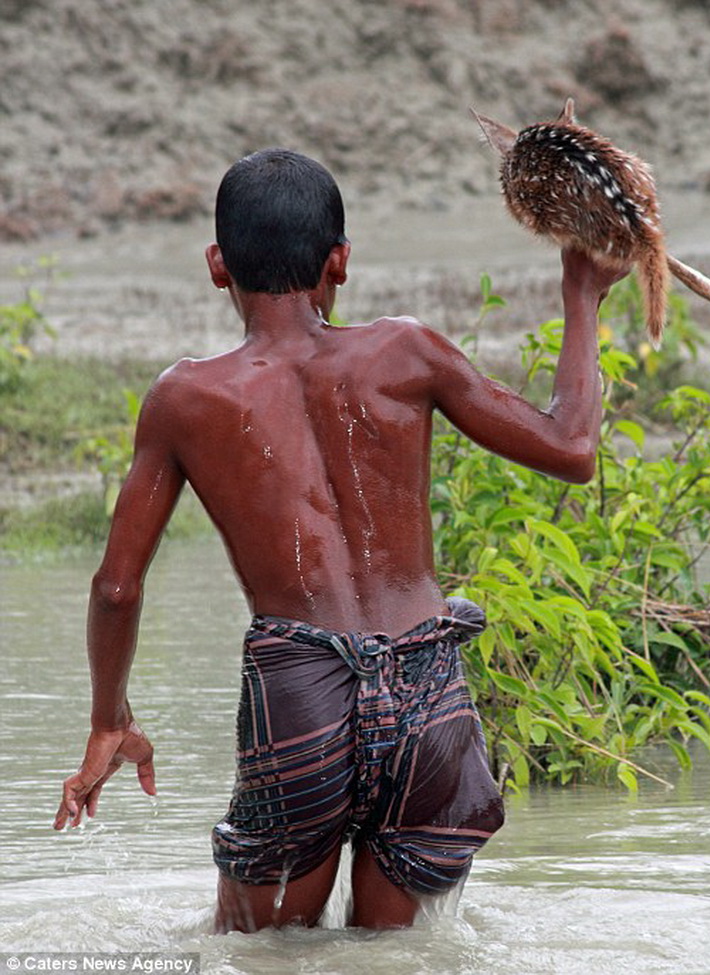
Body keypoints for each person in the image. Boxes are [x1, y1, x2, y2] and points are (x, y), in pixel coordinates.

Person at [54, 148, 628, 932]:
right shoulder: (407, 351)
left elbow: (117, 587)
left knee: (259, 951)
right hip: (429, 689)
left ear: (217, 266)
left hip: (301, 697)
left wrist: (108, 719)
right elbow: (571, 447)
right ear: (341, 262)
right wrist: (582, 291)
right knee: (390, 953)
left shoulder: (185, 398)